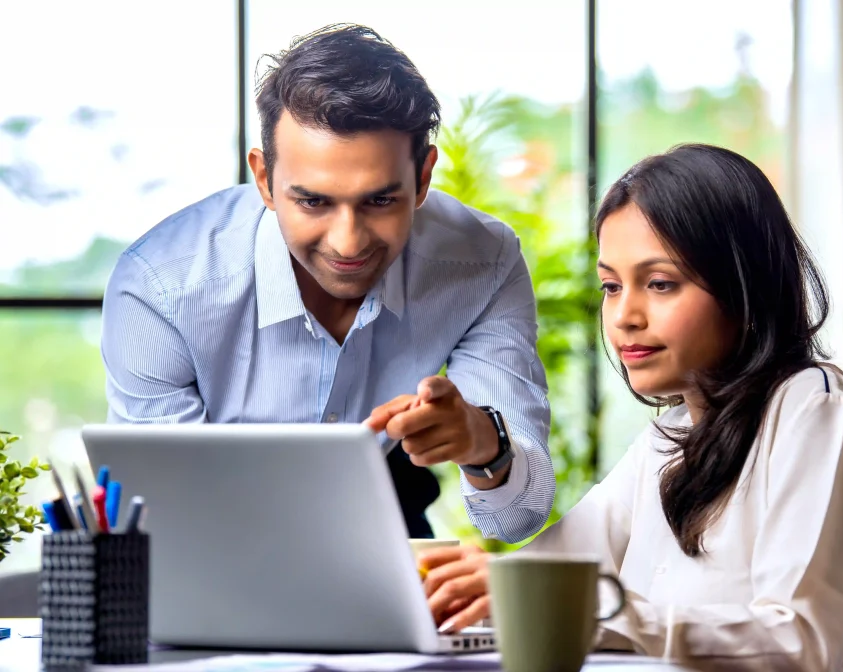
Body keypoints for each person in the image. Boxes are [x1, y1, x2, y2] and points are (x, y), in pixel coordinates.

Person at [419, 144, 843, 670]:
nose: (623, 316)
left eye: (660, 284)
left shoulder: (814, 410)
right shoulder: (669, 437)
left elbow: (797, 642)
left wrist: (581, 609)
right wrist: (466, 587)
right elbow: (550, 573)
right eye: (611, 286)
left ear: (742, 287)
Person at [99, 24, 555, 544]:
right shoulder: (161, 287)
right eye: (314, 201)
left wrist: (483, 441)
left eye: (380, 200)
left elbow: (516, 518)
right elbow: (162, 519)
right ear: (265, 179)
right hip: (216, 544)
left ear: (424, 178)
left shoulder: (482, 261)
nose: (348, 243)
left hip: (385, 527)